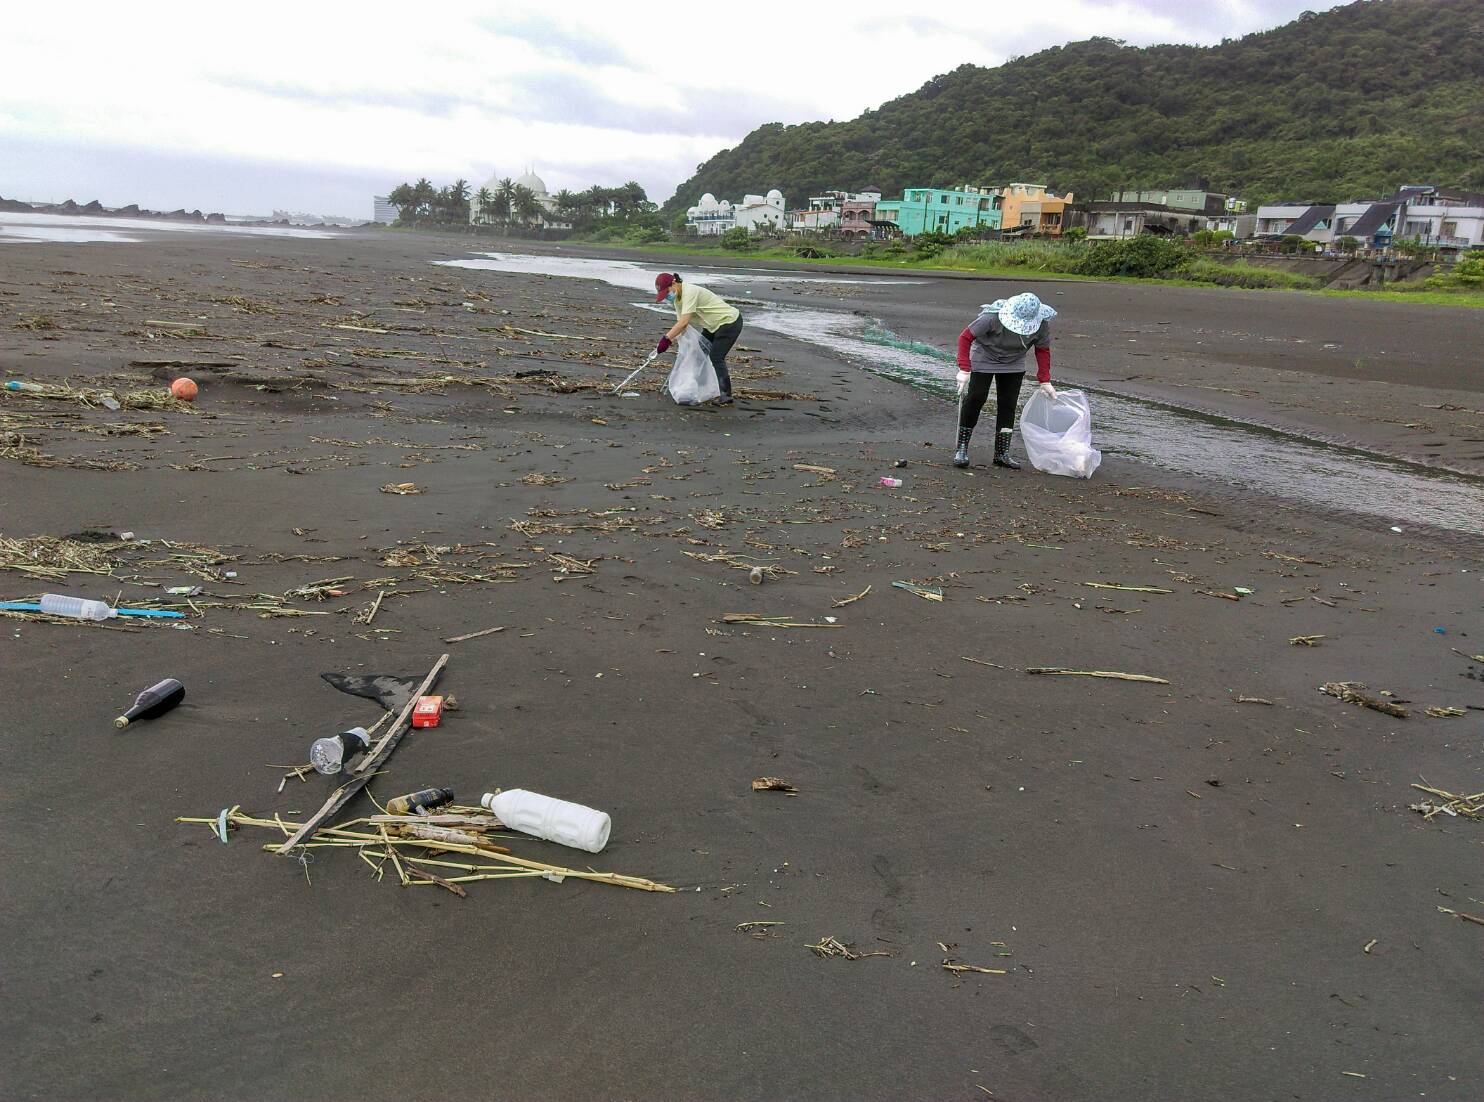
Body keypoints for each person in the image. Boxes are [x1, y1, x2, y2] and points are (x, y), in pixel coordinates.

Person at [953, 292, 1058, 469]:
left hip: (1014, 362)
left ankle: (1001, 453)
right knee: (976, 397)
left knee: (1008, 404)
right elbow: (965, 337)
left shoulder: (1041, 324)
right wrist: (964, 369)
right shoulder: (991, 318)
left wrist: (1045, 380)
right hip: (985, 356)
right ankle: (962, 448)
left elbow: (1042, 350)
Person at [654, 273, 743, 406]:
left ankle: (726, 396)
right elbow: (682, 326)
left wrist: (666, 339)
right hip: (711, 326)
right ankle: (695, 387)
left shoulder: (689, 292)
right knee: (699, 354)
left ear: (674, 284)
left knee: (716, 357)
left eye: (667, 293)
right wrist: (678, 344)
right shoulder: (677, 300)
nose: (667, 296)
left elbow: (684, 322)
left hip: (729, 322)